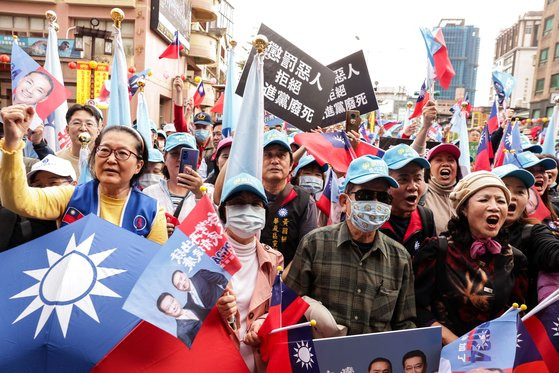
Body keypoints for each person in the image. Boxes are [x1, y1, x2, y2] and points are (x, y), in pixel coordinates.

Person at [285, 155, 416, 335]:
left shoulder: (400, 257)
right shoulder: (315, 244)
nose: (375, 203)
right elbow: (289, 307)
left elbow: (404, 324)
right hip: (323, 357)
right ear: (345, 202)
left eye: (384, 198)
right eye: (366, 195)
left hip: (376, 360)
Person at [0, 104, 167, 244]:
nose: (110, 159)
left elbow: (154, 270)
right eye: (104, 151)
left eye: (122, 153)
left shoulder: (151, 212)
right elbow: (17, 201)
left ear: (138, 166)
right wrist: (12, 144)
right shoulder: (70, 196)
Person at [414, 171, 528, 344]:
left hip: (492, 358)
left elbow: (517, 313)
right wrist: (456, 344)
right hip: (444, 357)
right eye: (484, 200)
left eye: (501, 201)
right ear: (464, 209)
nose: (494, 207)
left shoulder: (515, 259)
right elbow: (416, 308)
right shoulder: (437, 250)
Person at [215, 173, 283, 372]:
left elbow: (276, 309)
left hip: (256, 361)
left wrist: (261, 323)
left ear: (264, 212)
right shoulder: (204, 255)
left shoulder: (273, 259)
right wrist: (214, 310)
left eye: (255, 204)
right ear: (225, 211)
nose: (247, 210)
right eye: (238, 203)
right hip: (216, 359)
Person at [492, 164, 559, 308]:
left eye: (520, 192)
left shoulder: (533, 232)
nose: (512, 197)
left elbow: (554, 254)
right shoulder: (459, 236)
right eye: (505, 189)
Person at [258, 130, 318, 265]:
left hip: (287, 280)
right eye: (268, 155)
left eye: (281, 155)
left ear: (291, 164)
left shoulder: (304, 201)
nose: (275, 161)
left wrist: (284, 280)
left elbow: (307, 250)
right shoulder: (248, 195)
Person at [0, 154, 76, 251]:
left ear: (74, 185)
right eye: (38, 186)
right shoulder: (14, 222)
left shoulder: (86, 214)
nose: (45, 190)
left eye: (53, 183)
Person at [142, 133, 211, 236]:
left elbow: (213, 229)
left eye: (186, 155)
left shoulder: (208, 192)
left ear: (197, 159)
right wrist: (157, 230)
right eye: (175, 154)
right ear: (165, 158)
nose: (179, 159)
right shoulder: (148, 193)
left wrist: (200, 195)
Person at [380, 144, 435, 258]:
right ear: (386, 183)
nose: (413, 186)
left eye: (417, 178)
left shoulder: (426, 217)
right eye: (403, 179)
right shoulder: (373, 218)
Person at [423, 143, 461, 234]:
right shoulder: (421, 194)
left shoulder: (464, 196)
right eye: (439, 160)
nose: (445, 164)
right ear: (429, 169)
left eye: (451, 160)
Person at [56, 104, 102, 178]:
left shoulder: (104, 160)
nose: (83, 128)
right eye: (77, 123)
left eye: (89, 124)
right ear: (67, 129)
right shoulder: (56, 159)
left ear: (98, 130)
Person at [516, 151, 559, 225]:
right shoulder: (510, 214)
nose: (539, 175)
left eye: (542, 171)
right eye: (530, 171)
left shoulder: (554, 210)